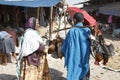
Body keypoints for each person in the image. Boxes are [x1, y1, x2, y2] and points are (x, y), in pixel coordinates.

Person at [61, 12, 91, 80]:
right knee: (84, 73)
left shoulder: (72, 31)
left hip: (74, 59)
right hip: (85, 58)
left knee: (74, 74)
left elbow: (65, 47)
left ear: (74, 20)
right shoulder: (87, 30)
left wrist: (63, 51)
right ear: (83, 20)